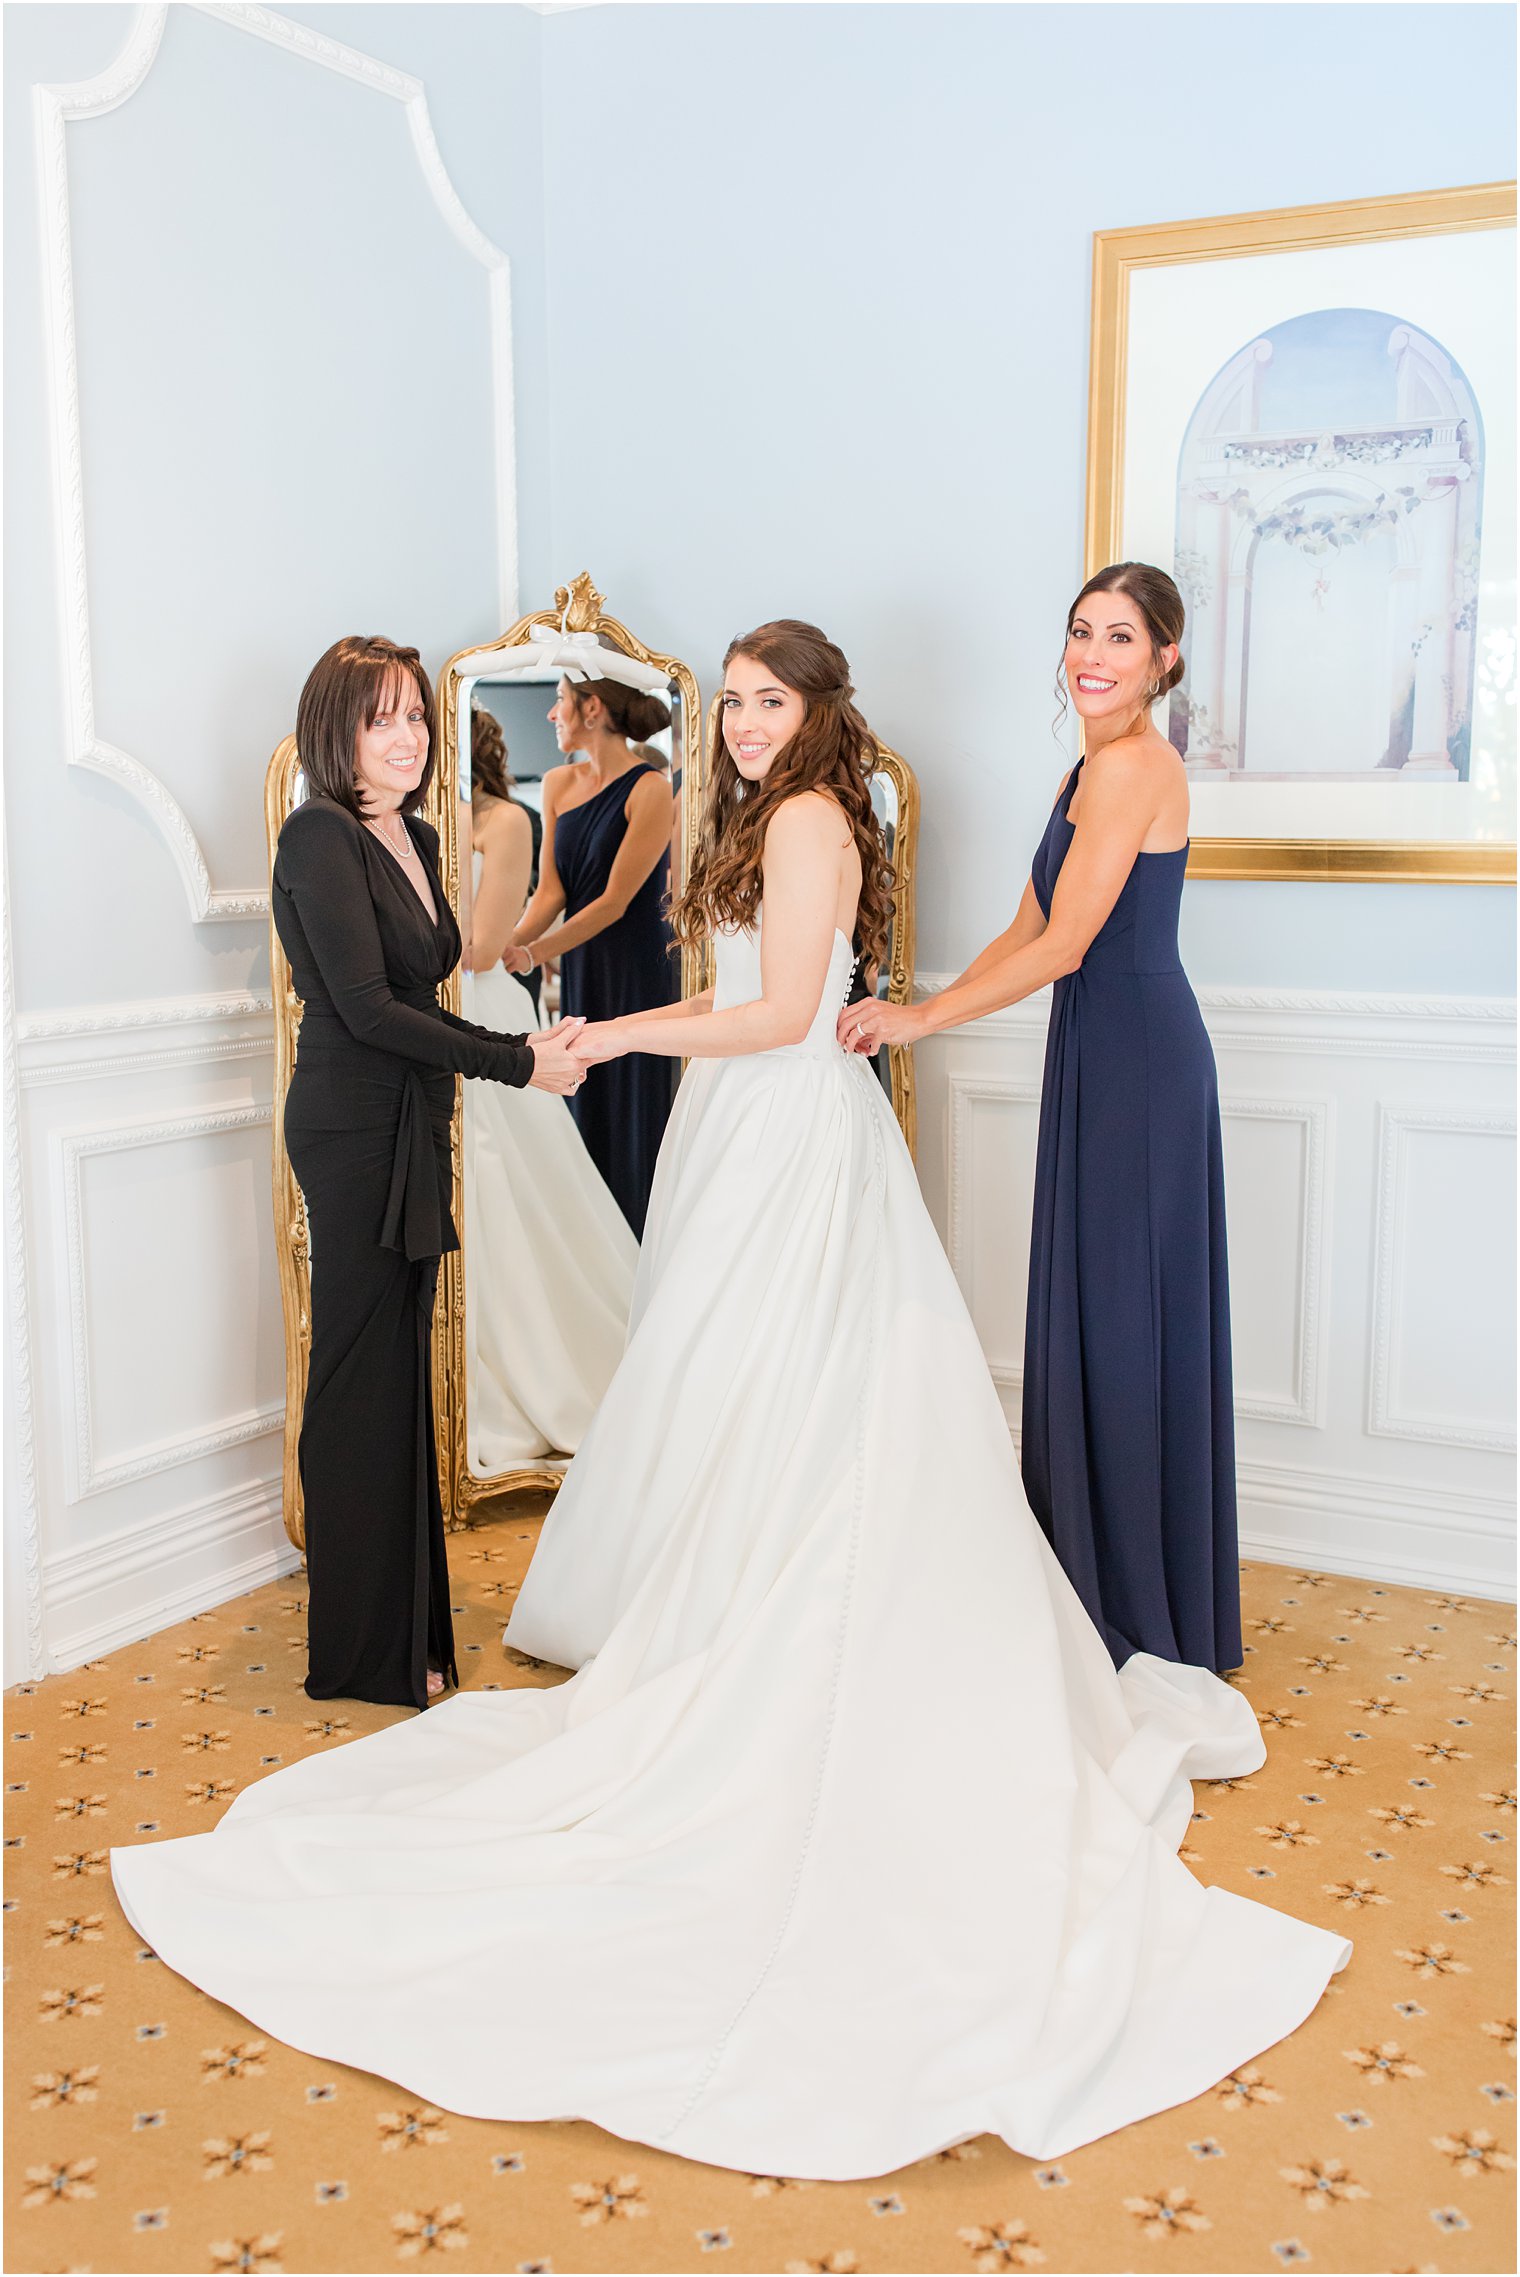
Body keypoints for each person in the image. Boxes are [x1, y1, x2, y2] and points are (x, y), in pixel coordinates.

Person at [111, 619, 1347, 2183]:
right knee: (741, 1400)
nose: (750, 727)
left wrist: (618, 1027)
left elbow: (774, 1015)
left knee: (809, 1400)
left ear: (821, 715)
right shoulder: (752, 814)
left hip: (789, 1126)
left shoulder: (818, 816)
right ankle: (726, 1612)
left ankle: (794, 1639)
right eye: (737, 707)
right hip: (741, 1128)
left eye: (772, 706)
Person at [844, 565, 1240, 1675]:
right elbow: (1023, 926)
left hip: (1141, 1064)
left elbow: (1066, 946)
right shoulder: (1089, 766)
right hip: (1100, 1049)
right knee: (1098, 1308)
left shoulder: (1135, 769)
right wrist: (909, 1003)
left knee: (1121, 1316)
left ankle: (1131, 1597)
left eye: (1119, 636)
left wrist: (921, 1020)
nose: (1091, 654)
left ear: (1164, 658)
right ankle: (1092, 1574)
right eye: (1079, 631)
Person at [269, 636, 584, 1710]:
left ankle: (409, 1633)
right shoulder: (318, 836)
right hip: (354, 1127)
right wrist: (517, 1063)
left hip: (409, 1117)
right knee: (357, 1378)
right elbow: (365, 1011)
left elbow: (427, 983)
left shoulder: (409, 829)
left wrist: (509, 1060)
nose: (406, 737)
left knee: (396, 1371)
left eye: (415, 716)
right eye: (381, 719)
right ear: (336, 732)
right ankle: (361, 1648)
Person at [460, 701, 638, 1471]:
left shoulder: (505, 818)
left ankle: (547, 1365)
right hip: (419, 1018)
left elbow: (483, 947)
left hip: (482, 1006)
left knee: (514, 1183)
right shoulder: (402, 817)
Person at [504, 675, 678, 1237]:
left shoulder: (650, 787)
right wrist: (510, 941)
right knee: (585, 1093)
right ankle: (597, 1241)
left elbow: (613, 903)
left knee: (632, 1100)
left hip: (636, 967)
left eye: (560, 702)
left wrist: (531, 954)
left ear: (593, 707)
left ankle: (637, 1244)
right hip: (582, 963)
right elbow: (552, 892)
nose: (553, 715)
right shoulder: (556, 783)